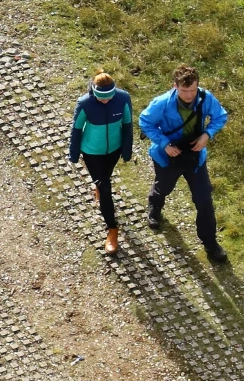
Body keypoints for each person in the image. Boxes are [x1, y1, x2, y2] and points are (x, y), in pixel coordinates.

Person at [139, 62, 229, 264]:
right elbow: (145, 122)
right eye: (184, 90)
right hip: (168, 155)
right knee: (164, 187)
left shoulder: (205, 98)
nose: (189, 95)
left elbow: (220, 116)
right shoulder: (161, 103)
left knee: (204, 199)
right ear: (175, 87)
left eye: (193, 90)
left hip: (195, 157)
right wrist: (164, 144)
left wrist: (207, 134)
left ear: (198, 86)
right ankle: (154, 205)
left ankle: (210, 243)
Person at [69, 67, 134, 257]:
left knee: (104, 179)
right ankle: (112, 229)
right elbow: (76, 129)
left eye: (109, 97)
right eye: (101, 97)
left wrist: (126, 150)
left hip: (113, 151)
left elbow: (128, 125)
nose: (105, 100)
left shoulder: (123, 99)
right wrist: (73, 154)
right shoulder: (84, 103)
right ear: (93, 92)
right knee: (106, 187)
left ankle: (99, 186)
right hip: (92, 152)